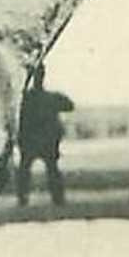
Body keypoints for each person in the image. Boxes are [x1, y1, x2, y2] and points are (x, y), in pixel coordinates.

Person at [16, 66, 74, 206]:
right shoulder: (47, 98)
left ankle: (25, 199)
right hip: (43, 141)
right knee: (49, 169)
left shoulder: (26, 97)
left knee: (28, 170)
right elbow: (69, 105)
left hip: (33, 141)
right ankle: (56, 199)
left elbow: (69, 105)